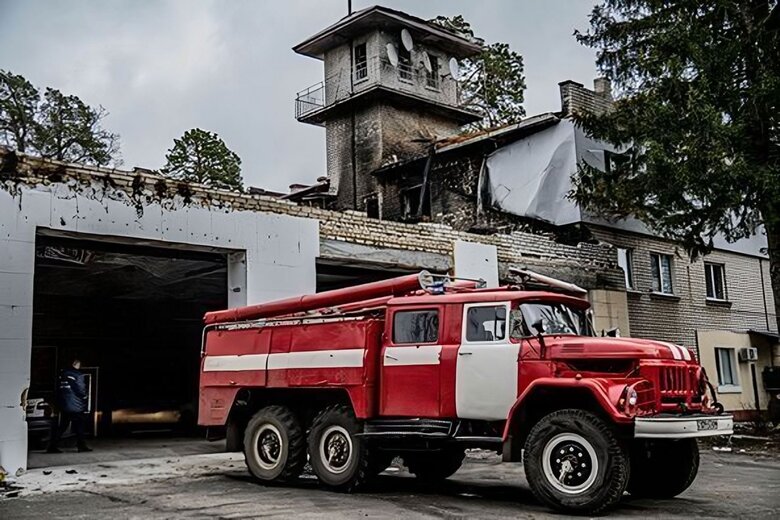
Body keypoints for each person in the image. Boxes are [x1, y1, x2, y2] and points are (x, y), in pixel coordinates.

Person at [47, 359, 92, 453]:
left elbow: (58, 390)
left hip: (65, 405)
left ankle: (52, 445)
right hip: (76, 405)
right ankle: (81, 446)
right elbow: (80, 390)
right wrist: (85, 396)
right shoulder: (78, 375)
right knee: (79, 426)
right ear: (77, 364)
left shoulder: (62, 375)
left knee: (63, 426)